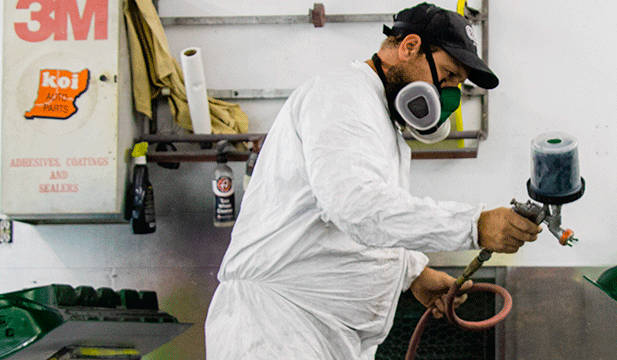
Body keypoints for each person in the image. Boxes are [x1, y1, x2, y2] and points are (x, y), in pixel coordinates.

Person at [204, 3, 543, 359]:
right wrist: (474, 225)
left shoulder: (377, 118)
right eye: (447, 76)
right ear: (409, 47)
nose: (447, 97)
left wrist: (412, 273)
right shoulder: (342, 95)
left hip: (320, 335)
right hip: (275, 329)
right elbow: (356, 208)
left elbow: (349, 226)